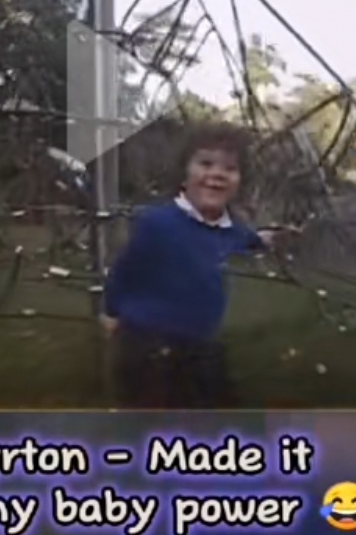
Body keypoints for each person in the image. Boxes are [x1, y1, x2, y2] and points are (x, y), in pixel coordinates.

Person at [102, 124, 274, 409]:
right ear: (184, 174)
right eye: (205, 163)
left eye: (229, 168)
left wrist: (264, 240)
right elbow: (125, 269)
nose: (217, 173)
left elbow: (247, 239)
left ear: (239, 181)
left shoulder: (229, 229)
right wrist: (110, 311)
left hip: (198, 342)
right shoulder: (157, 223)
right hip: (147, 343)